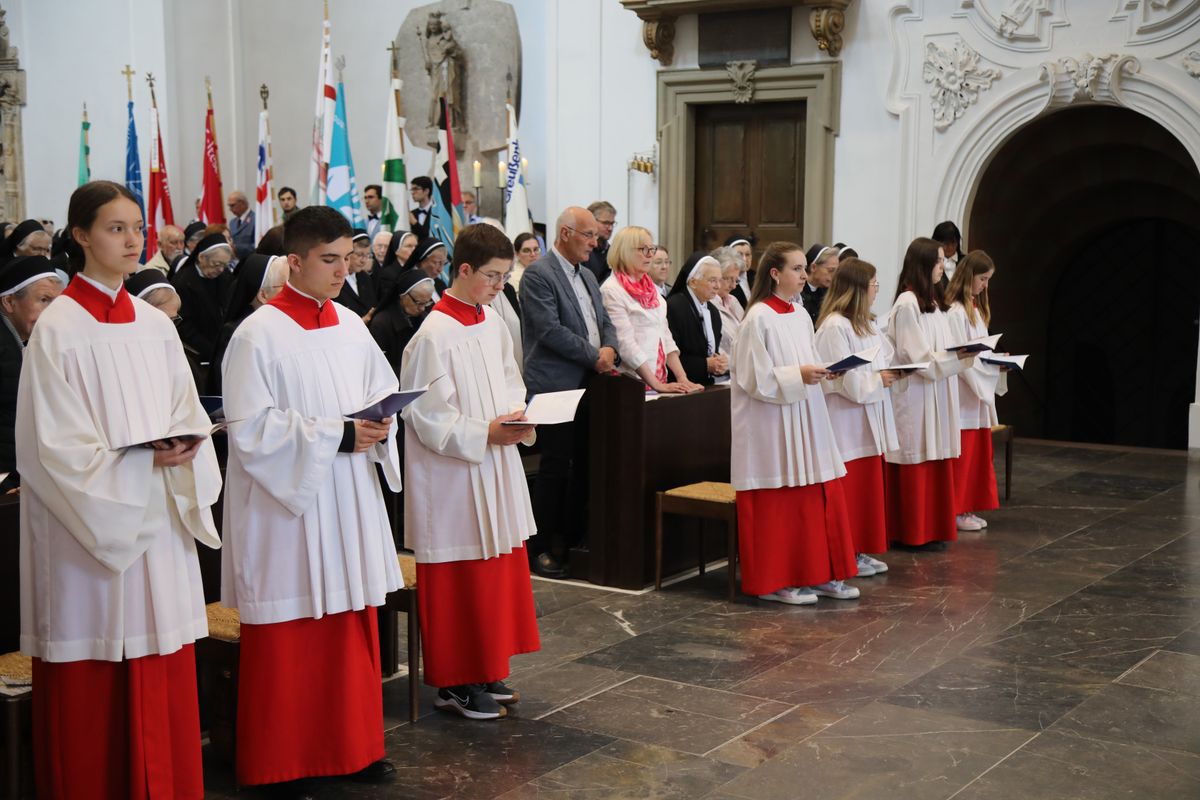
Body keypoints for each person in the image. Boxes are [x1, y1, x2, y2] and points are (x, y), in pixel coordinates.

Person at [18, 180, 220, 799]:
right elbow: (51, 447)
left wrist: (188, 448)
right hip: (88, 533)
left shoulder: (155, 328)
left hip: (156, 522)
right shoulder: (58, 328)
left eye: (137, 227)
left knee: (158, 658)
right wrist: (139, 466)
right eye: (115, 228)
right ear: (79, 237)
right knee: (95, 668)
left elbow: (185, 407)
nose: (133, 240)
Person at [221, 206, 402, 792]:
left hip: (347, 498)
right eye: (329, 260)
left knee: (351, 621)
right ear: (295, 262)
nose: (341, 270)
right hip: (289, 510)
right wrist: (339, 434)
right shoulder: (257, 334)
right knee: (291, 629)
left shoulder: (351, 323)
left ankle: (354, 746)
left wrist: (380, 424)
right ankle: (283, 762)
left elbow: (381, 390)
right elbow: (249, 429)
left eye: (347, 258)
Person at [400, 223, 540, 720]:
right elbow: (423, 414)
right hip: (453, 478)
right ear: (463, 270)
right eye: (493, 276)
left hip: (494, 466)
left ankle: (484, 667)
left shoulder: (490, 322)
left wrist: (517, 416)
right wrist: (484, 432)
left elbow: (511, 380)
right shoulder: (433, 334)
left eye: (505, 277)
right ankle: (454, 683)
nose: (501, 286)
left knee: (494, 571)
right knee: (461, 578)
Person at [731, 242, 858, 604]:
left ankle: (816, 573)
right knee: (780, 502)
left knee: (815, 496)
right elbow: (753, 378)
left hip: (806, 415)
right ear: (775, 273)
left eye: (805, 269)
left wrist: (827, 372)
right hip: (770, 423)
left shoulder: (800, 314)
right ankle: (775, 581)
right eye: (797, 269)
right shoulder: (757, 318)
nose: (805, 275)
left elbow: (811, 360)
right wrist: (799, 374)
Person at [520, 206, 619, 579]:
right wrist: (596, 355)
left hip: (592, 382)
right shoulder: (538, 275)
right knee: (555, 467)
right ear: (564, 233)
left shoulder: (590, 276)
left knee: (583, 464)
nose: (596, 243)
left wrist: (609, 349)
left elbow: (604, 321)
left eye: (596, 236)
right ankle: (541, 546)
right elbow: (549, 330)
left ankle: (572, 538)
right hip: (554, 385)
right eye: (588, 235)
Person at [885, 237, 975, 551]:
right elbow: (917, 357)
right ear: (923, 265)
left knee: (935, 454)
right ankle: (911, 530)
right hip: (917, 395)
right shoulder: (908, 303)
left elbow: (943, 347)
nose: (942, 266)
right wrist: (957, 358)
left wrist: (961, 352)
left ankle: (933, 527)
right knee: (917, 455)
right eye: (938, 261)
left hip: (937, 392)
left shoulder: (933, 302)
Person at [814, 258, 900, 578]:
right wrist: (879, 380)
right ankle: (846, 551)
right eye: (873, 284)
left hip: (869, 416)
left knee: (866, 492)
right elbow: (841, 378)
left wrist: (890, 373)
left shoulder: (865, 323)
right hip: (846, 421)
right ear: (857, 288)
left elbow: (882, 359)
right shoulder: (835, 326)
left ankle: (859, 550)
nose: (877, 290)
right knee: (850, 491)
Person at [945, 250, 1006, 531]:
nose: (985, 285)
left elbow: (981, 349)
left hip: (976, 390)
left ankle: (967, 507)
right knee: (963, 454)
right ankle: (956, 510)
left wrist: (998, 362)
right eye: (983, 278)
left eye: (989, 280)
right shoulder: (956, 313)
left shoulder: (975, 309)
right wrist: (988, 367)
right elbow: (962, 356)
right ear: (969, 276)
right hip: (964, 389)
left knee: (976, 454)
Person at [600, 227, 700, 394]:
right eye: (643, 249)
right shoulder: (612, 290)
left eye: (651, 249)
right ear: (624, 251)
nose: (649, 255)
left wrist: (683, 378)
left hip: (658, 378)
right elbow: (625, 344)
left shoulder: (650, 288)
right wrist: (655, 384)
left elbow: (665, 336)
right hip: (630, 382)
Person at [0, 256, 63, 491]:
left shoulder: (32, 342)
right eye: (44, 300)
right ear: (9, 302)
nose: (53, 312)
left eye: (58, 302)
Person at [206, 254, 288, 395]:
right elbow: (230, 389)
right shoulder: (237, 333)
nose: (291, 293)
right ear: (263, 295)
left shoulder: (287, 324)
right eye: (284, 286)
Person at [172, 232, 234, 375]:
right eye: (216, 264)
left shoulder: (224, 275)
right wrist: (212, 349)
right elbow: (185, 326)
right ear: (201, 258)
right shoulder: (183, 282)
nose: (220, 270)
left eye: (225, 265)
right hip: (199, 355)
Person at [666, 254, 727, 385]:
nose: (717, 286)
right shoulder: (673, 307)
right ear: (693, 282)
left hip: (706, 385)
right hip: (679, 386)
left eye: (719, 280)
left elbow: (711, 352)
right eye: (712, 280)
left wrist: (718, 363)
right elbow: (667, 356)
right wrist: (704, 365)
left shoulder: (713, 312)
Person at [369, 270, 434, 376]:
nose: (422, 308)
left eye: (427, 303)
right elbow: (379, 367)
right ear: (403, 296)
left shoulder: (424, 318)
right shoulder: (381, 323)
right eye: (418, 303)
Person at [336, 228, 378, 321]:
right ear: (347, 253)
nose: (364, 260)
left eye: (367, 255)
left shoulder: (366, 278)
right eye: (359, 255)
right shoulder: (334, 279)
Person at [710, 246, 744, 358]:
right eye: (728, 279)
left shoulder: (733, 300)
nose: (733, 286)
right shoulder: (707, 304)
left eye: (736, 280)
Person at [373, 230, 417, 301]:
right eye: (409, 246)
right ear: (396, 249)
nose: (414, 250)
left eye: (416, 246)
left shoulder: (417, 270)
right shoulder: (388, 274)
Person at [801, 243, 838, 322]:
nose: (834, 275)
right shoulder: (797, 292)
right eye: (831, 270)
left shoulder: (829, 293)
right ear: (813, 267)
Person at [583, 200, 616, 284]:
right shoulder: (580, 252)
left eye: (612, 223)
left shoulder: (613, 253)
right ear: (591, 221)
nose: (610, 228)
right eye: (606, 223)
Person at [725, 235, 754, 307]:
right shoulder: (724, 281)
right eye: (739, 255)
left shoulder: (757, 276)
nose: (744, 259)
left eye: (747, 255)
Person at [226, 191, 255, 261]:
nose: (230, 209)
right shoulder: (232, 223)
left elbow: (258, 245)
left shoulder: (256, 219)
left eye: (232, 205)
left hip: (251, 261)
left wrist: (236, 248)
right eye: (229, 206)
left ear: (242, 203)